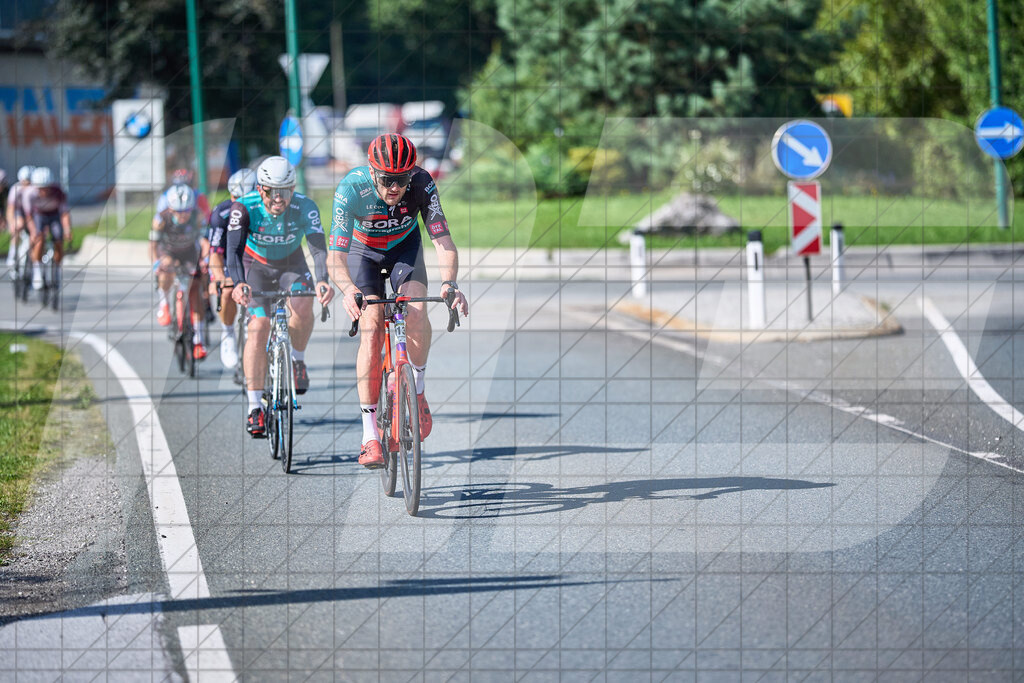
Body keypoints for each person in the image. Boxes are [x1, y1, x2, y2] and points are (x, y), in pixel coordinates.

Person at [328, 133, 469, 468]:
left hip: (405, 250)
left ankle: (416, 391)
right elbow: (335, 255)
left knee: (418, 310)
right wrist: (348, 289)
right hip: (364, 256)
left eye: (401, 179)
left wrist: (450, 283)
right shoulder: (351, 189)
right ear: (372, 172)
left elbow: (443, 242)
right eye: (387, 180)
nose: (395, 187)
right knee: (372, 328)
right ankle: (369, 436)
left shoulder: (422, 183)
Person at [227, 156, 333, 437]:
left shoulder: (304, 206)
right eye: (273, 192)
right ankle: (254, 407)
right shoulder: (243, 207)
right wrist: (238, 283)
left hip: (291, 264)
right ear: (261, 189)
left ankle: (297, 359)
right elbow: (233, 251)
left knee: (302, 303)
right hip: (254, 266)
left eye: (285, 191)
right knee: (259, 327)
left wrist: (323, 280)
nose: (279, 199)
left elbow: (318, 248)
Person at [150, 184, 209, 359]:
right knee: (165, 269)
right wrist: (156, 263)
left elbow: (205, 242)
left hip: (190, 252)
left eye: (186, 212)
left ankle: (198, 339)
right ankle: (164, 304)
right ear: (170, 209)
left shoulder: (198, 217)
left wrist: (205, 259)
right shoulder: (161, 219)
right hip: (169, 252)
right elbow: (153, 245)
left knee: (196, 289)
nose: (182, 215)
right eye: (178, 212)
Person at [207, 168, 257, 373]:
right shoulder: (221, 213)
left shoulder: (264, 211)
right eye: (236, 197)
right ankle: (228, 331)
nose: (239, 204)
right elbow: (215, 253)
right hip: (230, 260)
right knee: (227, 292)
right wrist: (219, 278)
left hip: (255, 260)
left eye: (245, 198)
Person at [23, 167, 72, 291]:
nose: (44, 191)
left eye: (46, 188)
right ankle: (37, 271)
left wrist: (67, 230)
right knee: (39, 239)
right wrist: (34, 232)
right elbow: (28, 217)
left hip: (54, 215)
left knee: (59, 241)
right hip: (39, 216)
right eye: (40, 188)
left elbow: (64, 213)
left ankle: (57, 269)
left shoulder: (58, 192)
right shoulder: (30, 194)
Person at [6, 166, 33, 269]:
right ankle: (12, 254)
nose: (26, 184)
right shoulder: (15, 189)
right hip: (19, 212)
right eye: (24, 182)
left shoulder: (34, 189)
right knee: (18, 225)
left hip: (31, 213)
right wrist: (11, 223)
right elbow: (10, 209)